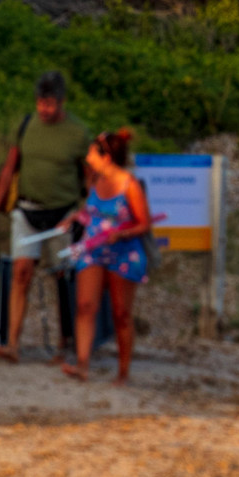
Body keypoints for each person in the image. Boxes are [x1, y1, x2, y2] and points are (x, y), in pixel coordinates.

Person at [0, 71, 89, 363]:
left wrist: (84, 210)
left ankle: (63, 343)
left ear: (62, 101)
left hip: (62, 214)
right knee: (21, 273)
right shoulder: (27, 125)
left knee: (62, 276)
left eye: (50, 104)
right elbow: (9, 169)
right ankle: (13, 343)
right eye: (41, 103)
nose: (44, 109)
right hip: (26, 210)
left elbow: (91, 177)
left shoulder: (78, 133)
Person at [61, 129, 153, 384]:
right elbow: (90, 210)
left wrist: (121, 235)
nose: (88, 155)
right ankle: (82, 364)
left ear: (106, 157)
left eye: (93, 151)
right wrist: (75, 218)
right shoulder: (94, 179)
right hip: (93, 249)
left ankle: (123, 372)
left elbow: (144, 223)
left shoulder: (129, 185)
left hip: (123, 253)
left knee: (121, 313)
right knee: (85, 306)